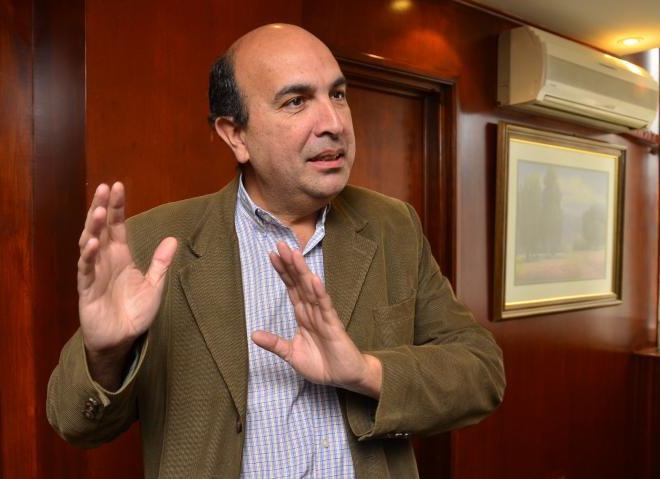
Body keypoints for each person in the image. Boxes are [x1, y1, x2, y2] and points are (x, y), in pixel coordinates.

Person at [47, 23, 505, 478]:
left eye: (338, 95)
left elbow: (482, 373)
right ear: (235, 135)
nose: (334, 124)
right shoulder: (156, 245)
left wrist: (365, 372)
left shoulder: (393, 227)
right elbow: (73, 423)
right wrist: (105, 354)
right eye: (296, 101)